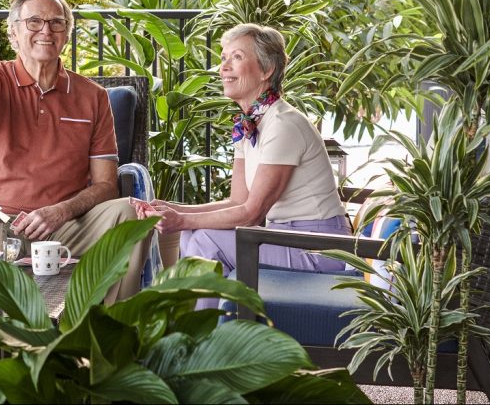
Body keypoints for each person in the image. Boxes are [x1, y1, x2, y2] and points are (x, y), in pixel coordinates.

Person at [0, 0, 149, 303]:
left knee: (130, 212)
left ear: (65, 35)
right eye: (34, 22)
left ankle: (109, 331)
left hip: (61, 228)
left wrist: (59, 212)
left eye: (56, 22)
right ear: (14, 34)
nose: (45, 30)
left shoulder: (93, 97)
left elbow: (106, 186)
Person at [134, 22, 349, 305]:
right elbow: (238, 200)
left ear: (266, 70)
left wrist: (181, 218)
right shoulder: (250, 124)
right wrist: (174, 209)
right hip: (286, 236)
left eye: (236, 57)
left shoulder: (284, 124)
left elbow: (251, 213)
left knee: (204, 241)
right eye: (223, 58)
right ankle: (202, 331)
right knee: (190, 235)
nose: (224, 67)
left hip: (319, 248)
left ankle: (202, 340)